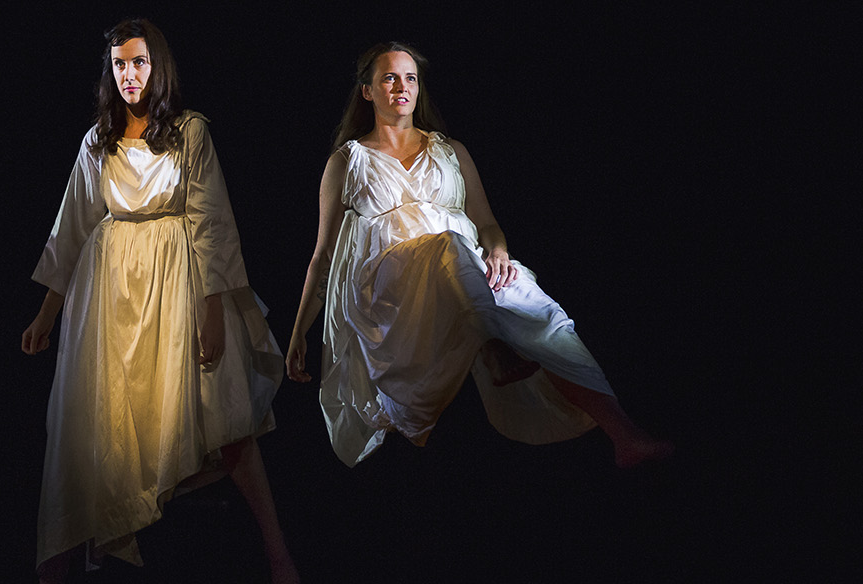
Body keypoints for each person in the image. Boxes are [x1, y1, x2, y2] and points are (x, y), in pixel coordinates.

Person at [285, 42, 672, 469]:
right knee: (446, 247)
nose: (402, 86)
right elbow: (322, 256)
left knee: (535, 306)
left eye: (410, 78)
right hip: (392, 287)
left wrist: (501, 252)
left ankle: (624, 434)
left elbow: (486, 224)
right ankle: (491, 347)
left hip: (464, 267)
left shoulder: (450, 151)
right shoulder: (348, 161)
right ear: (367, 91)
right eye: (390, 77)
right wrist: (300, 331)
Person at [21, 19, 299, 584]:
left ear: (158, 66)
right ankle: (64, 563)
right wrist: (46, 314)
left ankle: (279, 557)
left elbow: (212, 222)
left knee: (224, 415)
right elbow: (70, 229)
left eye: (139, 62)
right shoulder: (97, 141)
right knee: (98, 426)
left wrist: (213, 309)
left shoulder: (189, 131)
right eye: (120, 64)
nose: (129, 75)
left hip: (179, 281)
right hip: (112, 296)